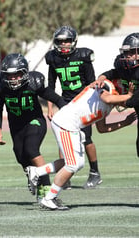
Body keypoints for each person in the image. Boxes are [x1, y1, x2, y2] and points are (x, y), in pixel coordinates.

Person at [26, 79, 136, 210]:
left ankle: (37, 171)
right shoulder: (106, 86)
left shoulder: (110, 103)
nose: (126, 103)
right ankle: (49, 198)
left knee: (77, 162)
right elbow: (106, 98)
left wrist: (124, 122)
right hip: (66, 123)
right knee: (72, 165)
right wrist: (129, 95)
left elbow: (102, 128)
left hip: (72, 126)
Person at [0, 53, 66, 202]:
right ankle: (34, 179)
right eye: (9, 75)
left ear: (24, 72)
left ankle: (48, 190)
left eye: (16, 74)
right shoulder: (0, 86)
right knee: (20, 155)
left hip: (34, 120)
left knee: (31, 149)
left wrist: (68, 113)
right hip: (16, 125)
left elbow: (56, 98)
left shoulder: (33, 82)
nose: (13, 79)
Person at [45, 25, 101, 189]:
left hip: (84, 101)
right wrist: (50, 107)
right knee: (63, 139)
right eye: (60, 41)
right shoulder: (53, 59)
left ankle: (95, 172)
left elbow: (92, 83)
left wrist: (92, 105)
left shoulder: (83, 56)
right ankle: (66, 175)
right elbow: (50, 86)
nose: (64, 45)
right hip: (66, 102)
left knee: (86, 139)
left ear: (73, 41)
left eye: (67, 41)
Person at [92, 32, 139, 156]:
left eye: (130, 52)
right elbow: (112, 73)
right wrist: (101, 78)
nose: (126, 56)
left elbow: (132, 101)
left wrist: (120, 99)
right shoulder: (124, 67)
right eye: (126, 52)